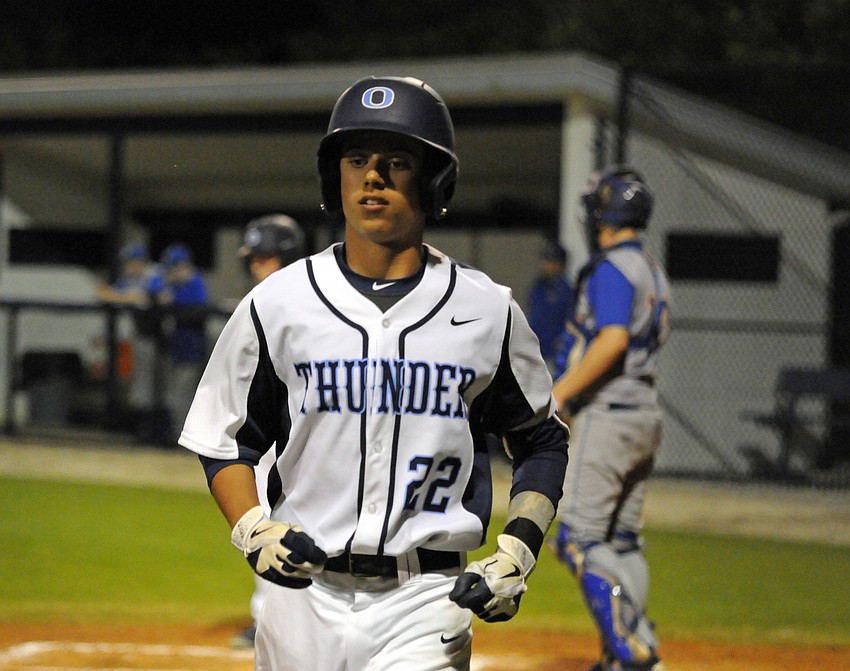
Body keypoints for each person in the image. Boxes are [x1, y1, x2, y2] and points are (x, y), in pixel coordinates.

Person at [178, 75, 569, 670]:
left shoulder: (487, 310)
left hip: (425, 600)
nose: (372, 176)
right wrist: (254, 529)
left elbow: (541, 438)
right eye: (356, 158)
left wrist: (518, 550)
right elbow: (223, 438)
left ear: (436, 179)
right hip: (299, 600)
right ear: (334, 177)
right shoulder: (278, 302)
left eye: (396, 161)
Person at [550, 166, 671, 671]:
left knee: (577, 538)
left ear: (604, 211)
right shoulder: (650, 267)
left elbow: (613, 340)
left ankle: (625, 648)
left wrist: (557, 398)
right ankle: (638, 646)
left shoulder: (612, 268)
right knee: (621, 541)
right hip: (643, 414)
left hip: (609, 413)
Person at [229, 214, 308, 650]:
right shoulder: (267, 303)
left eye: (264, 258)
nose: (256, 267)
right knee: (264, 524)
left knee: (275, 523)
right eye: (255, 260)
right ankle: (273, 617)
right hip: (265, 440)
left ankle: (274, 620)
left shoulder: (298, 305)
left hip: (289, 441)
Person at [95, 242, 163, 423]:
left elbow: (147, 298)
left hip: (164, 340)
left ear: (139, 262)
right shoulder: (131, 278)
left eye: (130, 262)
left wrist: (117, 296)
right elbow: (106, 294)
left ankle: (157, 430)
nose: (126, 267)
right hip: (144, 336)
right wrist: (115, 295)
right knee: (144, 385)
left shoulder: (154, 274)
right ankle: (147, 428)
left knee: (159, 388)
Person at [154, 242, 210, 444]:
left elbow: (198, 308)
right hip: (177, 351)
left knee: (182, 398)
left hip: (191, 352)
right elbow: (154, 288)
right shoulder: (175, 284)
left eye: (174, 268)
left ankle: (186, 441)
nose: (172, 273)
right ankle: (180, 438)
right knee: (173, 397)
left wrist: (171, 299)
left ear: (183, 266)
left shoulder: (195, 283)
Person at [527, 239, 574, 375]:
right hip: (537, 349)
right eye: (545, 260)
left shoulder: (565, 290)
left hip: (555, 353)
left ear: (560, 264)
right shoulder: (538, 286)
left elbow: (570, 321)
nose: (545, 265)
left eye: (551, 261)